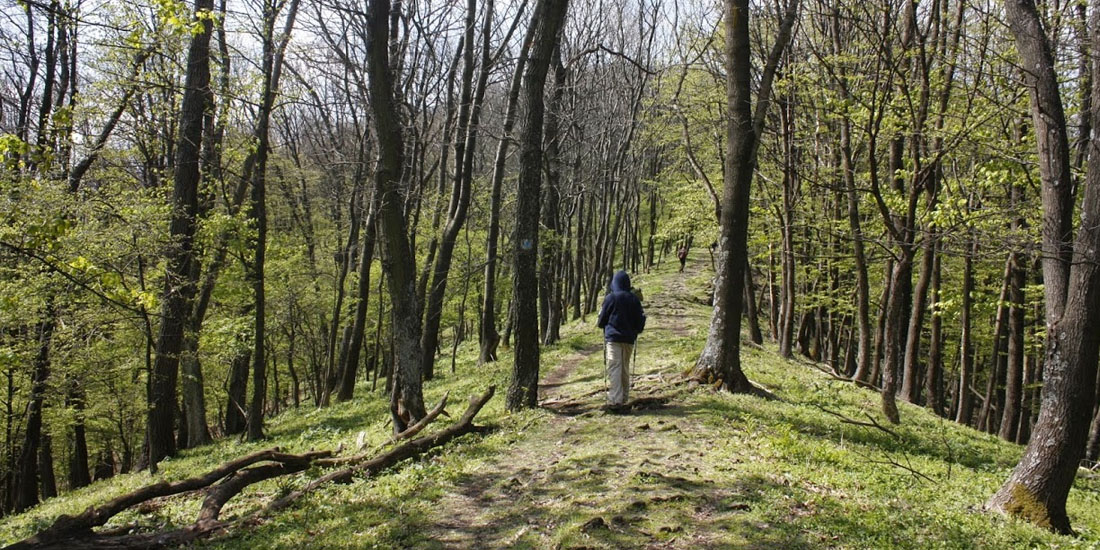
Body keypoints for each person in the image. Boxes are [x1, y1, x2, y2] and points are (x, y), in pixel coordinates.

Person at [596, 270, 646, 409]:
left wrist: (603, 324)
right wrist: (636, 331)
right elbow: (640, 321)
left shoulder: (610, 298)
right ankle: (624, 397)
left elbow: (601, 321)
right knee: (624, 367)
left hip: (613, 339)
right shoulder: (634, 299)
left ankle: (615, 399)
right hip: (629, 339)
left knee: (615, 367)